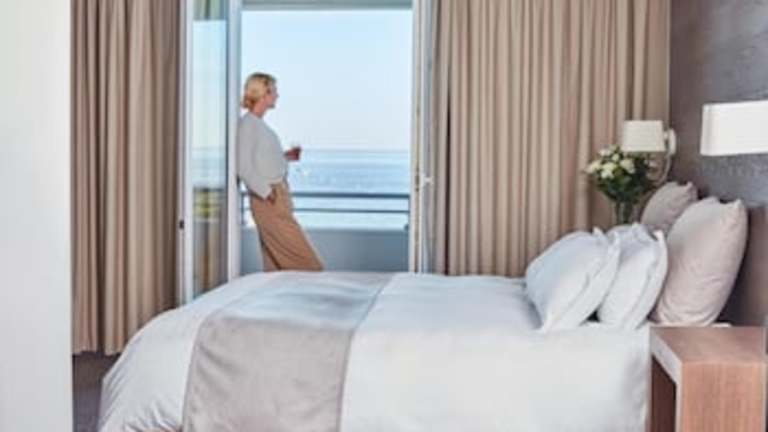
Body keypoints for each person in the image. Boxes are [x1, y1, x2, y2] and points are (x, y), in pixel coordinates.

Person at [237, 72, 323, 271]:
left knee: (275, 267)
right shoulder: (248, 125)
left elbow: (261, 160)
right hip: (269, 198)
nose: (277, 95)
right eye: (274, 91)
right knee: (311, 266)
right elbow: (243, 166)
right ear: (263, 94)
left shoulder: (257, 124)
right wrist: (268, 194)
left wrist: (285, 157)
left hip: (276, 195)